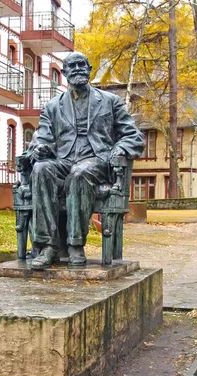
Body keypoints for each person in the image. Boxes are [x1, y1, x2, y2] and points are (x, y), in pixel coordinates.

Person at [25, 52, 145, 270]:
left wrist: (117, 150)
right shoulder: (52, 107)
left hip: (96, 161)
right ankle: (47, 246)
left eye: (82, 65)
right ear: (64, 73)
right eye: (72, 65)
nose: (78, 68)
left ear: (89, 69)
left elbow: (134, 136)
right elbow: (42, 137)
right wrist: (40, 148)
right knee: (41, 169)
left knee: (80, 173)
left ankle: (75, 245)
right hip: (64, 160)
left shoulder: (110, 102)